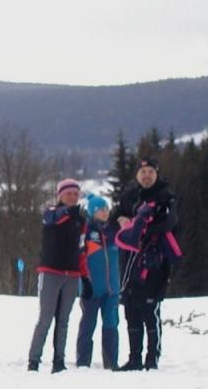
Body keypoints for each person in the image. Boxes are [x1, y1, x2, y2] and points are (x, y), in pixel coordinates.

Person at [110, 158, 180, 371]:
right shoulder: (129, 196)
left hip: (154, 262)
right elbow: (113, 220)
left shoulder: (165, 196)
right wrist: (120, 222)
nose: (146, 175)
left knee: (150, 309)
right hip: (129, 261)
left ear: (156, 174)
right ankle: (134, 358)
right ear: (137, 176)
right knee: (131, 310)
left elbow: (169, 223)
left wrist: (138, 229)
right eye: (143, 172)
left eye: (150, 171)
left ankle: (152, 358)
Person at [28, 178, 92, 374]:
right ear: (60, 195)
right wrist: (67, 212)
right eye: (68, 193)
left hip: (71, 274)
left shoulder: (81, 220)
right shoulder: (51, 213)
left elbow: (82, 250)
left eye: (75, 193)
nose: (72, 197)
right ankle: (34, 360)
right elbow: (51, 219)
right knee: (46, 318)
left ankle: (59, 360)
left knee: (63, 320)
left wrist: (85, 277)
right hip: (50, 272)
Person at [75, 195, 120, 370]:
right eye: (100, 209)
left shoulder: (113, 231)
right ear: (92, 211)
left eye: (106, 209)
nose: (105, 212)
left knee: (111, 324)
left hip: (112, 289)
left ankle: (111, 363)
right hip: (91, 288)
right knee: (88, 324)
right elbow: (78, 255)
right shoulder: (86, 231)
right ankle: (83, 362)